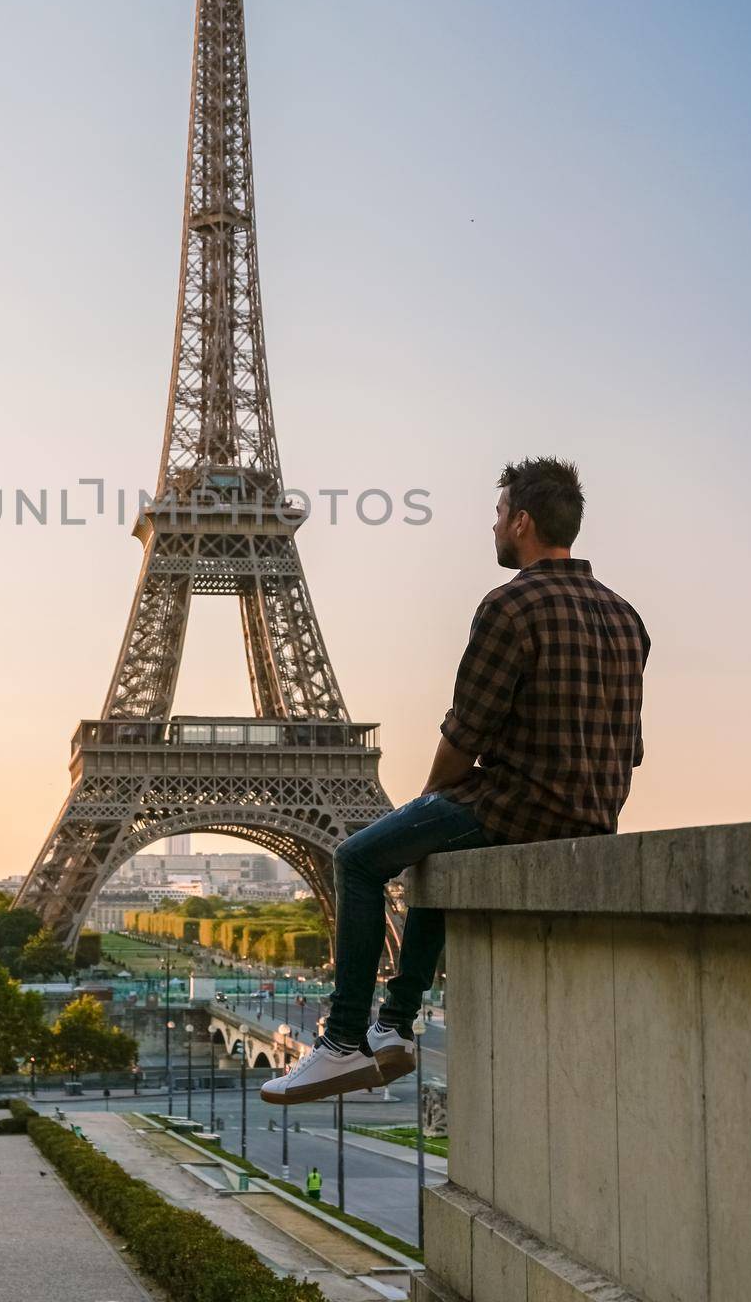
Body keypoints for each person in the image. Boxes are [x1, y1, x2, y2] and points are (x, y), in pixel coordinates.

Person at [262, 457, 649, 1105]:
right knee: (430, 850)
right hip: (594, 815)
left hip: (519, 806)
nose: (492, 526)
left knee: (359, 857)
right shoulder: (626, 617)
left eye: (498, 514)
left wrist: (428, 801)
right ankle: (393, 1027)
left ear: (522, 521)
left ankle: (343, 1041)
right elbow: (629, 750)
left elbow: (465, 734)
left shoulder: (510, 605)